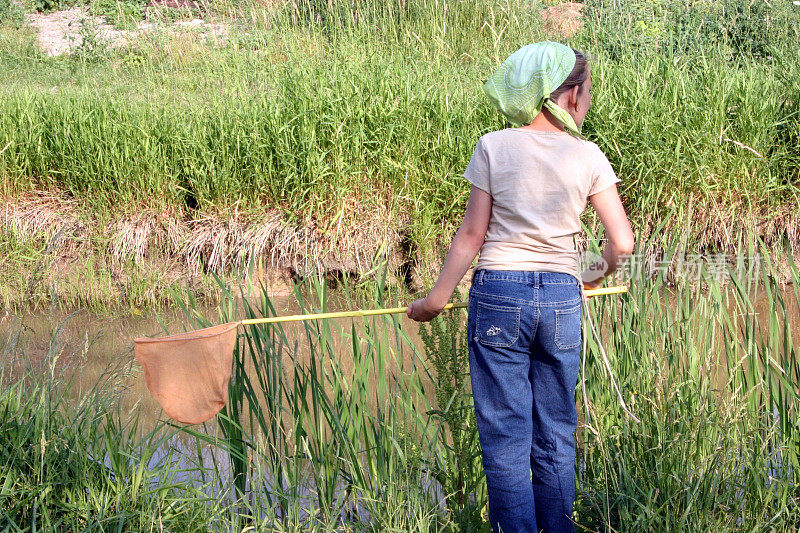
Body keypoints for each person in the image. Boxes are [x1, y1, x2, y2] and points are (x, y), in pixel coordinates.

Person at [406, 42, 635, 532]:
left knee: (506, 438)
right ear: (571, 95)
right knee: (555, 432)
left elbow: (471, 235)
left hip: (498, 293)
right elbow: (622, 242)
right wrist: (590, 275)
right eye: (588, 90)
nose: (588, 99)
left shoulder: (494, 145)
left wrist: (435, 300)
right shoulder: (589, 155)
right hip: (560, 295)